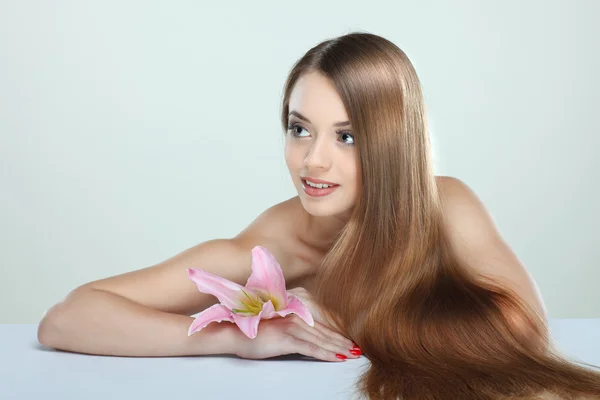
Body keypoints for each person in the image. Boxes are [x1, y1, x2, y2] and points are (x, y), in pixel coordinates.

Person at [37, 32, 600, 400]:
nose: (313, 159)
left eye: (348, 136)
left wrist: (345, 312)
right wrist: (237, 338)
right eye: (299, 128)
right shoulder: (271, 248)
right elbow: (67, 319)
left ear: (392, 142)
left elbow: (527, 327)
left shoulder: (445, 203)